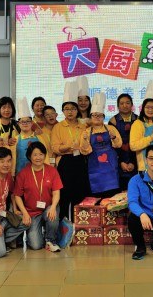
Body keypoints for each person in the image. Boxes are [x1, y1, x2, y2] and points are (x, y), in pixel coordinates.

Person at [14, 141, 63, 252]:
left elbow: (56, 192)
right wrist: (25, 213)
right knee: (35, 245)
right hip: (32, 212)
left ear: (45, 155)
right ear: (29, 156)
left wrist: (53, 207)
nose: (38, 157)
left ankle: (50, 240)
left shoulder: (52, 171)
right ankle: (38, 234)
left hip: (48, 207)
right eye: (35, 154)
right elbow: (17, 195)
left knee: (52, 215)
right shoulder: (23, 173)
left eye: (41, 154)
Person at [51, 81, 89, 219]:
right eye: (66, 109)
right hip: (65, 162)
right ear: (63, 111)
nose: (70, 111)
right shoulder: (58, 127)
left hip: (80, 161)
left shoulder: (83, 126)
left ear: (77, 110)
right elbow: (54, 147)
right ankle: (63, 227)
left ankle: (78, 225)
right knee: (64, 195)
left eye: (73, 108)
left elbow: (87, 146)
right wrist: (67, 147)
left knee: (79, 195)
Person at [80, 92, 123, 196]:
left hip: (111, 167)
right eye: (94, 115)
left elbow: (119, 144)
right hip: (95, 167)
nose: (97, 117)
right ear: (90, 117)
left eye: (99, 115)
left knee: (113, 195)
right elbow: (84, 151)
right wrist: (85, 140)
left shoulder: (111, 128)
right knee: (98, 196)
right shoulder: (86, 131)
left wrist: (114, 138)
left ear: (104, 117)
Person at [109, 93, 138, 190]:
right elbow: (112, 144)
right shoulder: (113, 121)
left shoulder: (138, 120)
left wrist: (133, 162)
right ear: (118, 106)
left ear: (132, 105)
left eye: (127, 103)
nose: (125, 105)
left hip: (136, 160)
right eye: (121, 103)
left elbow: (140, 142)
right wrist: (121, 162)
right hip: (119, 161)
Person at [15, 97, 50, 175]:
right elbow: (13, 158)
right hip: (20, 173)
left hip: (39, 173)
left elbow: (46, 156)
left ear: (31, 123)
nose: (25, 124)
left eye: (28, 121)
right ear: (18, 123)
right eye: (22, 122)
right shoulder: (15, 140)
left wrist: (47, 172)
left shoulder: (40, 138)